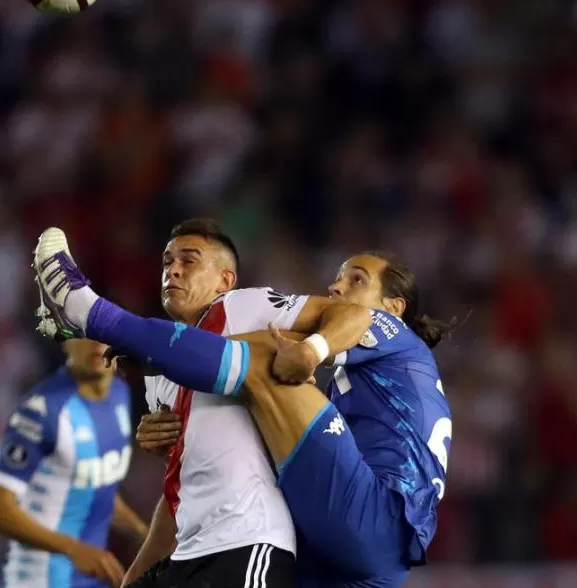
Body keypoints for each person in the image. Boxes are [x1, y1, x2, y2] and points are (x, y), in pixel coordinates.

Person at [33, 227, 452, 588]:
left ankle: (88, 311)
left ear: (394, 306)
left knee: (274, 363)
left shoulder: (390, 330)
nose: (337, 290)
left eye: (356, 280)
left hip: (374, 516)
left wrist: (149, 348)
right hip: (363, 555)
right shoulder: (368, 385)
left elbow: (276, 350)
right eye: (338, 280)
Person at [80, 218, 371, 588]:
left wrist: (313, 351)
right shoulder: (156, 370)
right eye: (167, 262)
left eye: (189, 261)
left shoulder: (243, 306)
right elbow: (180, 494)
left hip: (248, 541)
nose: (173, 270)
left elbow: (353, 315)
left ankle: (82, 306)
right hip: (188, 551)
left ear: (225, 281)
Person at [0, 338, 148, 588]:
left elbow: (97, 488)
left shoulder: (120, 395)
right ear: (66, 343)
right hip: (38, 579)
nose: (96, 345)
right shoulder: (43, 410)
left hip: (90, 577)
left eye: (104, 335)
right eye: (84, 334)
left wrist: (143, 535)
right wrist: (72, 548)